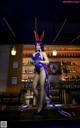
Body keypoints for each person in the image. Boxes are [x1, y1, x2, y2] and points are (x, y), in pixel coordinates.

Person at [31, 31, 49, 115]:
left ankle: (40, 107)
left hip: (42, 69)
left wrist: (40, 61)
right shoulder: (33, 53)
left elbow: (47, 61)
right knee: (34, 87)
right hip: (37, 70)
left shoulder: (43, 53)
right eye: (36, 45)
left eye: (39, 45)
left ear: (41, 45)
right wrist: (33, 62)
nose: (37, 46)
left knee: (41, 86)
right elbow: (34, 62)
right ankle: (42, 102)